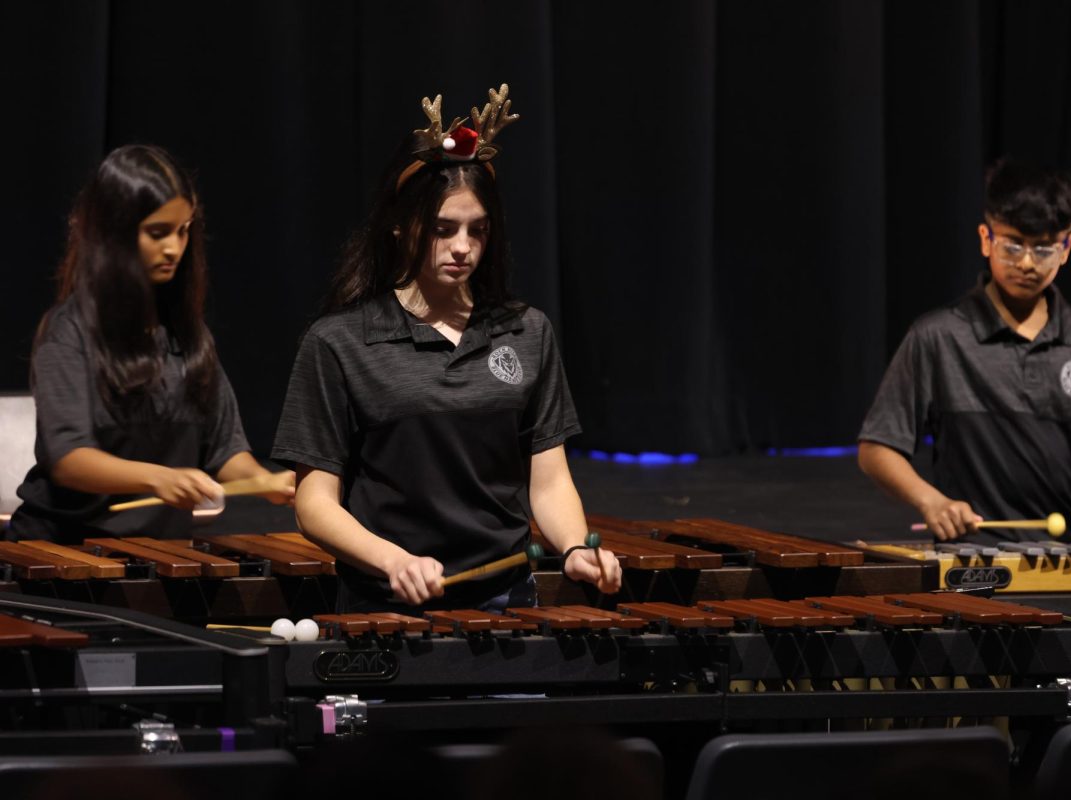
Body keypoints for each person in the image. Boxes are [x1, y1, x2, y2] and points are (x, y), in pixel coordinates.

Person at [272, 85, 621, 611]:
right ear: (398, 225)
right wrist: (393, 560)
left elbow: (546, 482)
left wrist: (573, 546)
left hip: (506, 601)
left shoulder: (527, 332)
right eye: (442, 229)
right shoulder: (338, 342)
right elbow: (314, 505)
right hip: (384, 605)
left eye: (478, 231)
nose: (463, 247)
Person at [8, 145, 293, 544]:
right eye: (157, 233)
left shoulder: (189, 337)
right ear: (115, 233)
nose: (174, 248)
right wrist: (158, 477)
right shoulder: (68, 332)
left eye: (183, 230)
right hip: (64, 549)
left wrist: (265, 481)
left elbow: (223, 449)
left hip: (154, 551)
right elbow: (68, 459)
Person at [858, 158, 1071, 542]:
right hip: (969, 563)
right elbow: (877, 448)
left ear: (1067, 246)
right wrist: (931, 501)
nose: (1026, 263)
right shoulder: (939, 337)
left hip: (1070, 559)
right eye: (1013, 246)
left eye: (1043, 249)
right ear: (985, 238)